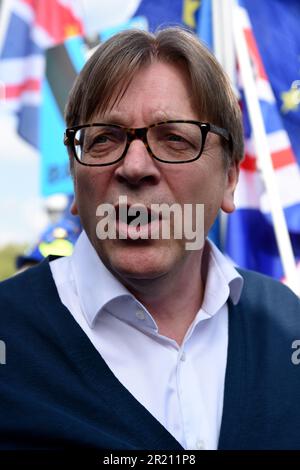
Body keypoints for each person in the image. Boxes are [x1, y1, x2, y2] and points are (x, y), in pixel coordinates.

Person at [0, 27, 300, 452]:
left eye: (175, 138)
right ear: (73, 173)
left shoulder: (288, 326)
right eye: (104, 138)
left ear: (229, 179)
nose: (135, 166)